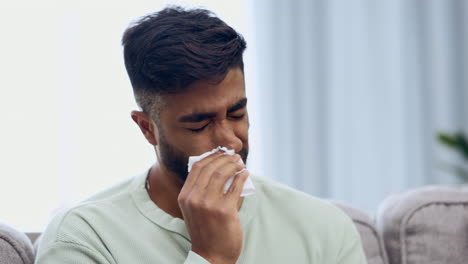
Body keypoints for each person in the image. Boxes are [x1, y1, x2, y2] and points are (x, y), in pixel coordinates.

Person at [35, 6, 367, 264]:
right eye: (199, 124)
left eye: (237, 113)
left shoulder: (323, 228)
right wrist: (211, 257)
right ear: (147, 128)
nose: (230, 141)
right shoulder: (83, 237)